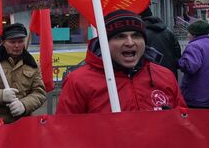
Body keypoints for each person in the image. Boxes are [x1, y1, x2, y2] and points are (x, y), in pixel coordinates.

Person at [56, 10, 186, 114]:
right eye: (120, 37)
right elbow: (64, 132)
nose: (130, 43)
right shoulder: (78, 81)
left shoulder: (165, 76)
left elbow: (183, 125)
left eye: (136, 35)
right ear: (105, 44)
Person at [0, 23, 46, 124]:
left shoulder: (32, 64)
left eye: (20, 41)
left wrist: (24, 105)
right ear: (3, 42)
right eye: (12, 42)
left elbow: (39, 92)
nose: (17, 45)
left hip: (23, 122)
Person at [178, 20, 209, 109]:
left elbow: (190, 67)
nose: (188, 36)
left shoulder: (194, 46)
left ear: (194, 34)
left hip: (199, 97)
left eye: (189, 33)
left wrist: (179, 62)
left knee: (197, 122)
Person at [141, 7, 182, 79]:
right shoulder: (168, 30)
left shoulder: (140, 33)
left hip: (151, 73)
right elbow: (177, 52)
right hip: (170, 71)